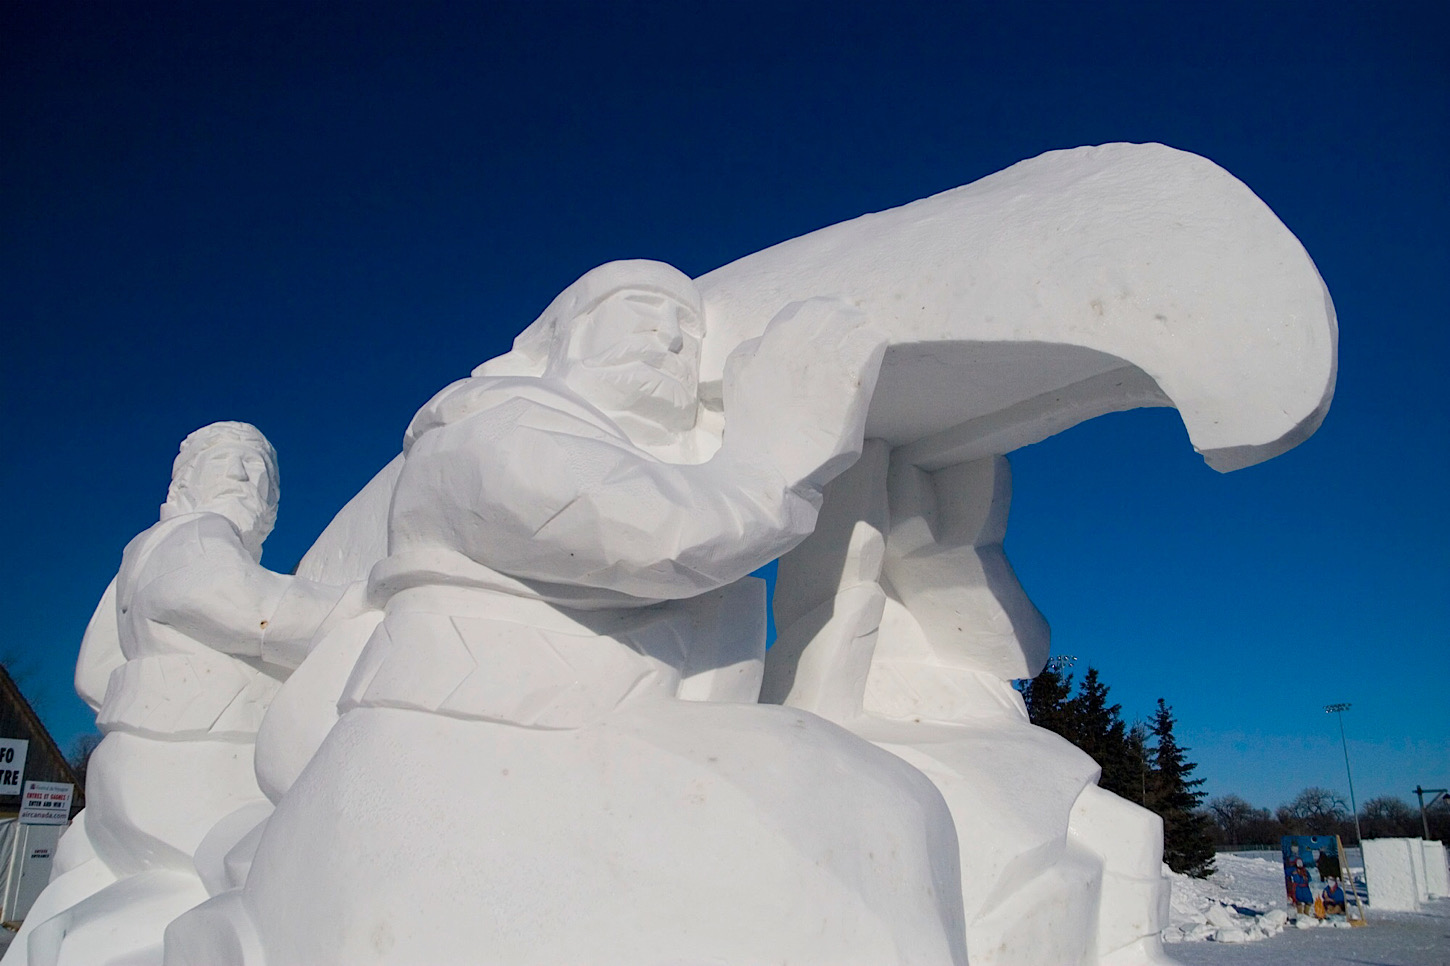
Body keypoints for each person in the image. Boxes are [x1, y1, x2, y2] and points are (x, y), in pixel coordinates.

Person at [165, 262, 969, 965]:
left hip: (570, 735)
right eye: (638, 312)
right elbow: (648, 532)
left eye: (687, 332)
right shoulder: (490, 428)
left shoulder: (616, 448)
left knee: (871, 808)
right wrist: (774, 451)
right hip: (476, 736)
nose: (669, 340)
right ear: (550, 344)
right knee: (861, 809)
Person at [9, 422, 361, 966]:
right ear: (186, 482)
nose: (250, 479)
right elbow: (248, 607)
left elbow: (92, 672)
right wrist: (366, 608)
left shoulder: (137, 559)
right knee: (280, 864)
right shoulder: (195, 536)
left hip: (141, 754)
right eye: (232, 462)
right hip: (199, 753)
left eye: (263, 474)